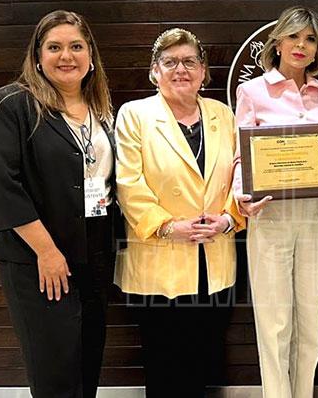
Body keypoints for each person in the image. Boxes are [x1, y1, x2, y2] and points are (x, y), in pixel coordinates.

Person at [0, 10, 117, 398]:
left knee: (87, 367)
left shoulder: (101, 110)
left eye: (76, 46)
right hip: (39, 259)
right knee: (56, 375)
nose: (66, 56)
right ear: (38, 57)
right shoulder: (13, 104)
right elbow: (3, 186)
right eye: (54, 47)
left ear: (91, 55)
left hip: (94, 254)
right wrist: (47, 252)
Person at [114, 28, 245, 398]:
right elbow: (128, 183)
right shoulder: (135, 115)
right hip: (160, 262)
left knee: (203, 362)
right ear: (154, 71)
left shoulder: (222, 114)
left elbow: (242, 175)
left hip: (213, 260)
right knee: (164, 366)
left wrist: (229, 219)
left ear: (203, 71)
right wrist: (169, 227)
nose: (180, 70)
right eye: (169, 62)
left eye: (189, 61)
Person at [233, 6, 318, 398]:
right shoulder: (252, 92)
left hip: (313, 215)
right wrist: (241, 198)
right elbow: (240, 156)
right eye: (293, 36)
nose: (301, 45)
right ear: (277, 42)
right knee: (274, 324)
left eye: (310, 39)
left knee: (310, 323)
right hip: (269, 214)